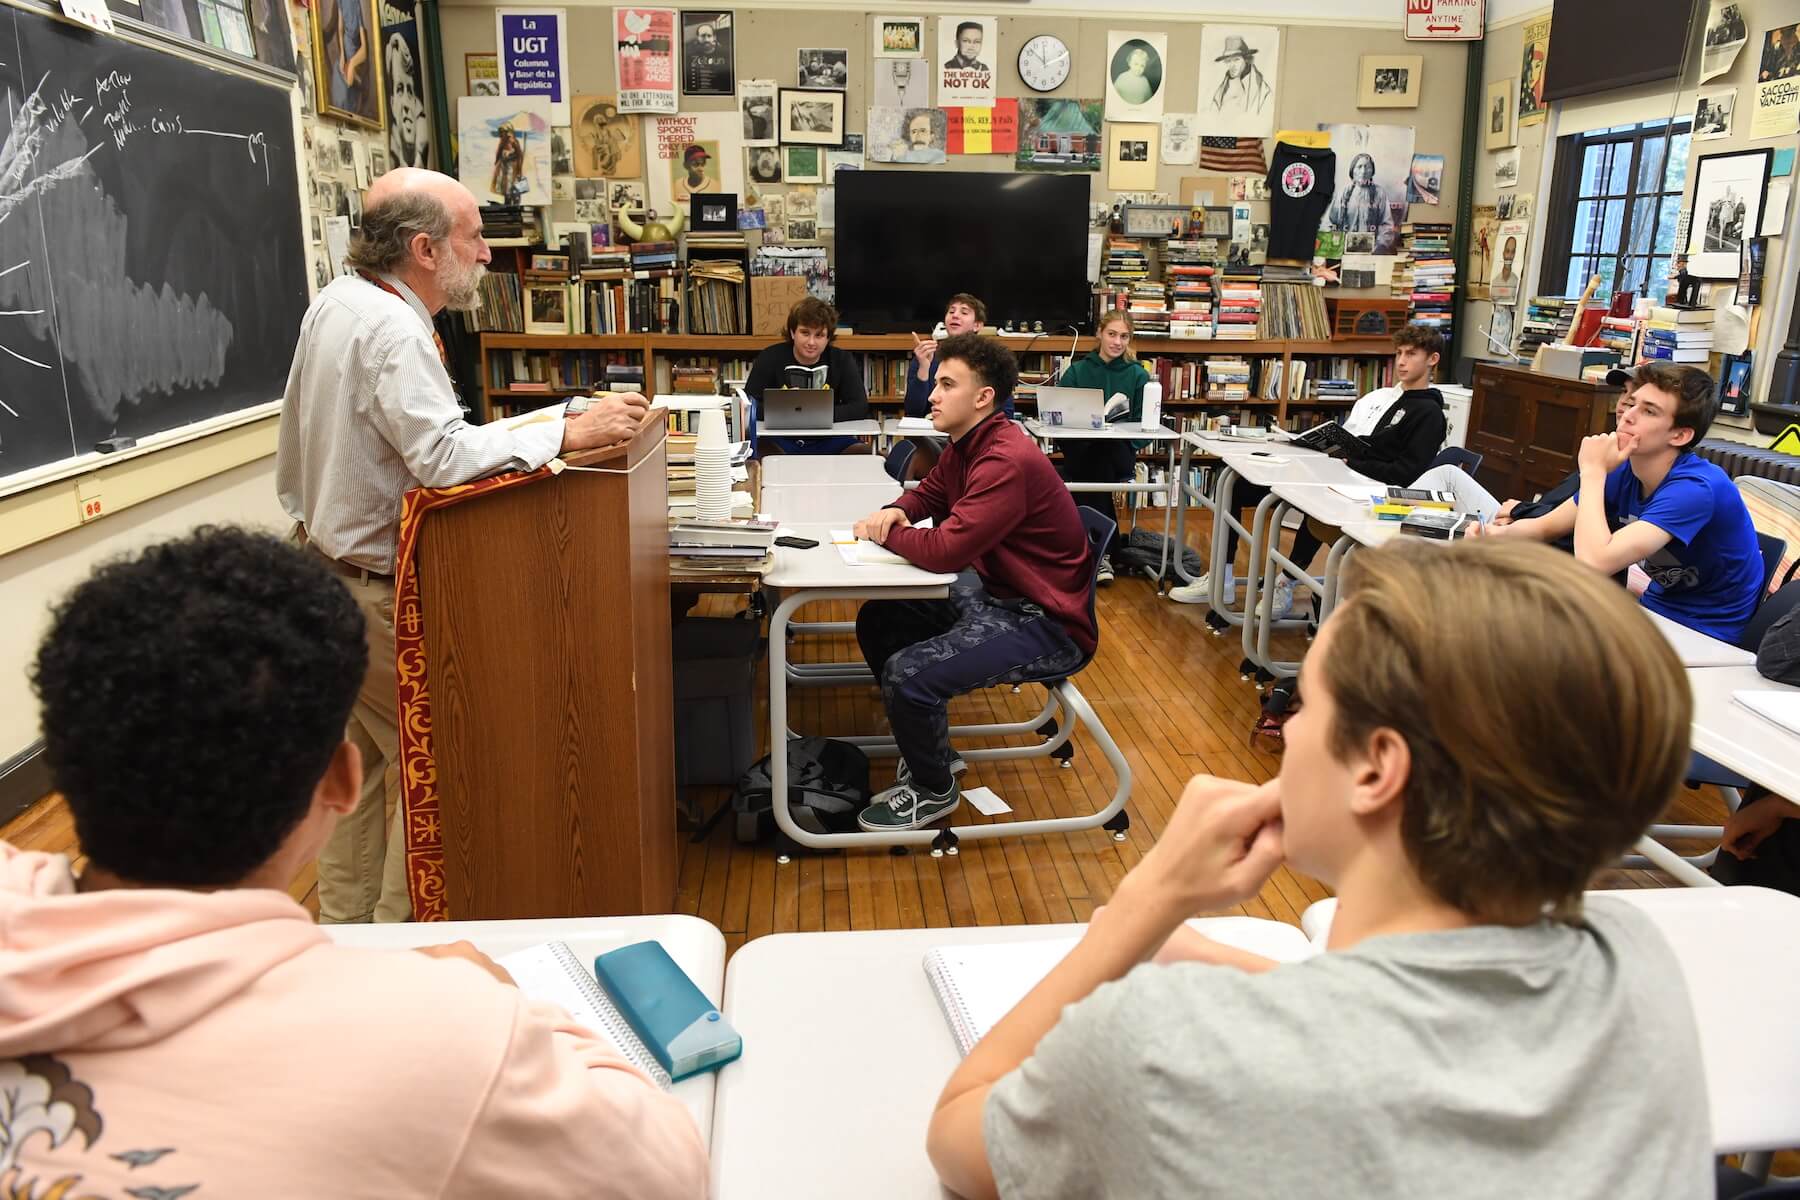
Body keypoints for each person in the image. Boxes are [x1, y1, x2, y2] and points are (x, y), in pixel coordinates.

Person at [925, 537, 1712, 1199]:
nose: (1287, 730)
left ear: (1376, 770)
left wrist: (1147, 904)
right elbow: (1429, 1045)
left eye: (1304, 702)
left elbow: (960, 1137)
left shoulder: (1166, 1051)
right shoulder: (1634, 961)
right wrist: (1222, 962)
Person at [8, 526, 707, 1197]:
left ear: (67, 774)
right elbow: (669, 1173)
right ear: (342, 782)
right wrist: (509, 1010)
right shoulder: (441, 1035)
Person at [277, 168, 649, 923]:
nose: (486, 253)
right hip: (376, 587)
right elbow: (442, 459)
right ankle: (396, 938)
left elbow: (401, 440)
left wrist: (559, 413)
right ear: (423, 247)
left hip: (322, 572)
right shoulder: (393, 329)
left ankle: (346, 936)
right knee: (432, 769)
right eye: (474, 235)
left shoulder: (340, 303)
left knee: (369, 769)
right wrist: (568, 433)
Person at [851, 336, 1095, 831]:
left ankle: (933, 791)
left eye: (946, 384)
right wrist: (898, 510)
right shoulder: (968, 444)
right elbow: (931, 495)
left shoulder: (1003, 458)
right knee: (881, 617)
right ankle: (934, 755)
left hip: (1048, 624)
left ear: (983, 398)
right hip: (998, 596)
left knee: (909, 675)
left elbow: (946, 551)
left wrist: (890, 534)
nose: (932, 395)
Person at [1171, 324, 1448, 618]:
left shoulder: (1428, 413)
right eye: (1399, 353)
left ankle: (1285, 583)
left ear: (1432, 360)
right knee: (1236, 487)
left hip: (1369, 493)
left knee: (1314, 509)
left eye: (1411, 354)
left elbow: (1405, 474)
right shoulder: (1396, 400)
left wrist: (1351, 462)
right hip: (1344, 475)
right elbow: (1374, 445)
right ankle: (1222, 577)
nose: (1402, 361)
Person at [1476, 362, 1764, 643]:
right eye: (1632, 402)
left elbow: (1594, 563)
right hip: (1654, 611)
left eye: (1649, 411)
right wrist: (1490, 536)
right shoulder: (1626, 469)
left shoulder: (1696, 489)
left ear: (1680, 435)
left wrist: (1593, 472)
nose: (1627, 414)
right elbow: (1544, 527)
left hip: (1707, 634)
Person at [1053, 310, 1152, 586]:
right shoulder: (1078, 370)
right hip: (1083, 450)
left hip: (1117, 453)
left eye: (1124, 336)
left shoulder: (1137, 375)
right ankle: (1105, 553)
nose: (1117, 342)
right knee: (1092, 462)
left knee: (1094, 464)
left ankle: (1095, 553)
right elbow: (1058, 411)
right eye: (1112, 334)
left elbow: (1146, 424)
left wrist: (1123, 436)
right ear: (1099, 333)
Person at [742, 295, 870, 455]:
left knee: (863, 452)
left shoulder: (841, 359)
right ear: (792, 332)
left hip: (829, 438)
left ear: (828, 338)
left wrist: (816, 414)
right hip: (781, 439)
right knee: (758, 452)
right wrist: (785, 409)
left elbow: (860, 407)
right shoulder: (770, 357)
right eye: (805, 333)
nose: (811, 342)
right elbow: (747, 405)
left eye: (819, 335)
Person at [1328, 151, 1395, 252]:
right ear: (1352, 170)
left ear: (1372, 171)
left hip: (1372, 251)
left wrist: (1379, 246)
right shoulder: (1342, 193)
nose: (1363, 171)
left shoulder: (1379, 193)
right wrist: (1336, 244)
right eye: (1359, 167)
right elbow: (1330, 222)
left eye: (1367, 167)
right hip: (1343, 250)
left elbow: (1387, 225)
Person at [1207, 34, 1272, 114]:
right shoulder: (1221, 90)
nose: (1232, 65)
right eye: (1228, 61)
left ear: (1246, 59)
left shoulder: (1262, 89)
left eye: (1236, 60)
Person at [685, 21, 729, 92]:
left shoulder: (726, 54)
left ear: (714, 37)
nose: (706, 39)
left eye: (709, 36)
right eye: (703, 36)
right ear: (697, 38)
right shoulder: (689, 56)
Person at [490, 122, 526, 203]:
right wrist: (498, 162)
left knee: (514, 187)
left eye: (504, 132)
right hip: (504, 169)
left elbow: (519, 155)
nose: (502, 134)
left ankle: (515, 203)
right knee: (506, 189)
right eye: (501, 132)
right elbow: (499, 153)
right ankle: (508, 202)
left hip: (512, 168)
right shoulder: (502, 141)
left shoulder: (513, 141)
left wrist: (509, 157)